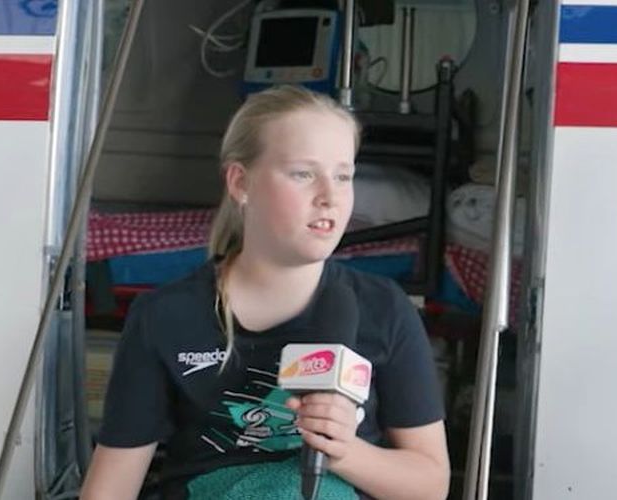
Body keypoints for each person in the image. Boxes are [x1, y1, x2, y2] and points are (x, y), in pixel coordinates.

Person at [81, 85, 449, 500]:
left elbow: (430, 484)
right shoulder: (164, 316)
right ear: (241, 182)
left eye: (343, 176)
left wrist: (344, 452)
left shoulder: (384, 308)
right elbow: (109, 490)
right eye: (303, 174)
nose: (329, 196)